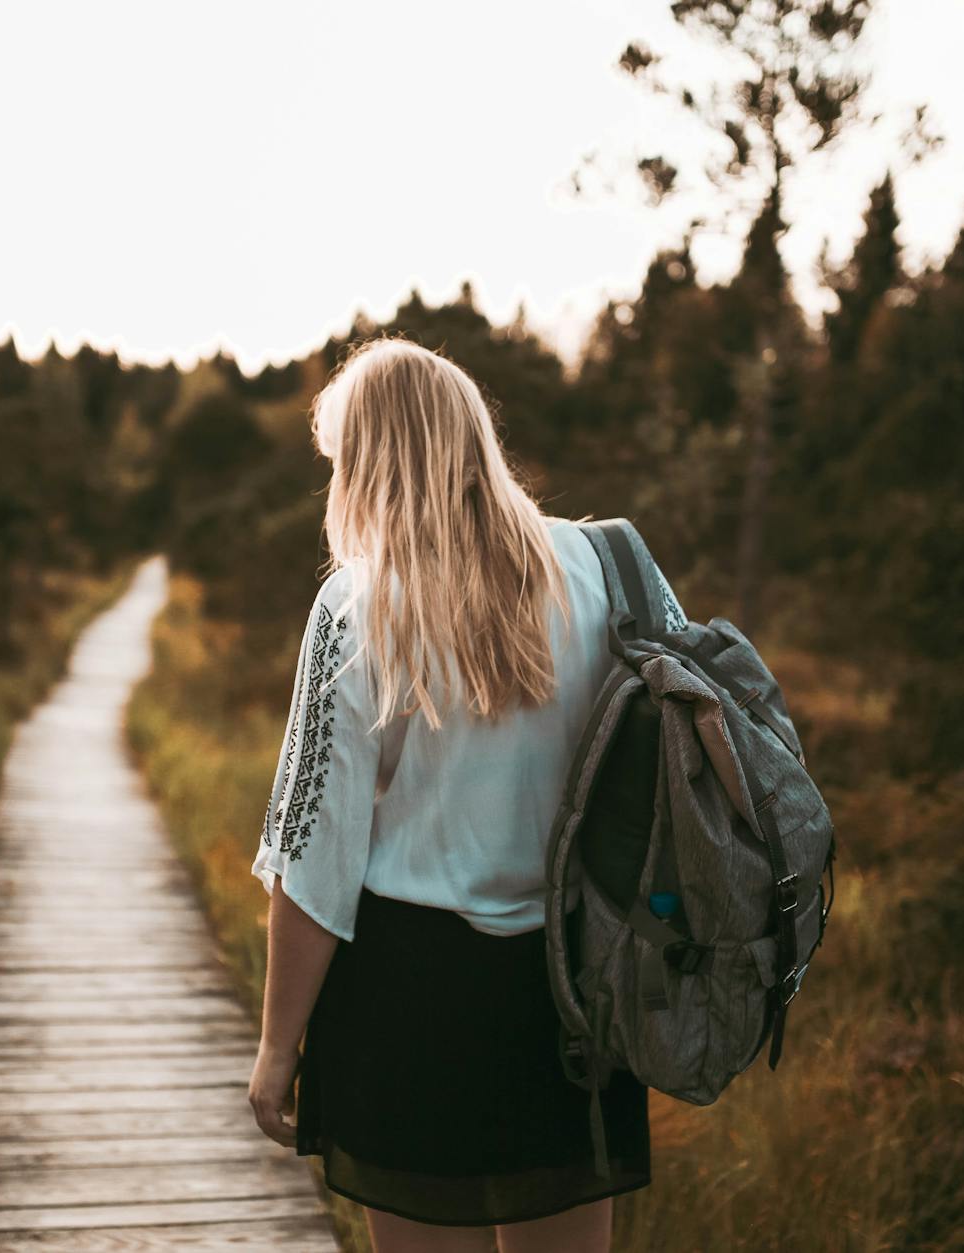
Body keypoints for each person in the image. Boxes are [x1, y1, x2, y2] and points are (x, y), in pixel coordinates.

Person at [246, 337, 679, 1252]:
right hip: (572, 992)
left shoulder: (357, 605)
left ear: (366, 462)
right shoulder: (606, 567)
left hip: (409, 1001)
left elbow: (314, 857)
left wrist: (278, 1047)